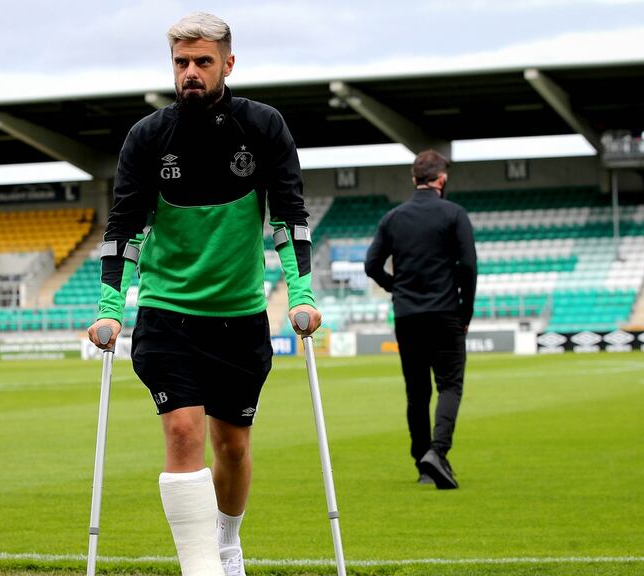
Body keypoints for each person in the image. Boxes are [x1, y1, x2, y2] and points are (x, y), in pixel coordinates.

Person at [87, 12, 320, 576]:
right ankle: (201, 568)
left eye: (202, 62)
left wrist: (301, 294)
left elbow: (289, 217)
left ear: (228, 64)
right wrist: (111, 309)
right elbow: (124, 228)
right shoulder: (147, 136)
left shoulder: (263, 126)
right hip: (169, 314)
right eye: (181, 62)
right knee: (182, 430)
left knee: (233, 449)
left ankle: (227, 541)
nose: (190, 72)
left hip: (239, 318)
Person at [364, 150, 477, 490]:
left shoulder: (393, 218)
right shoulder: (454, 214)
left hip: (408, 316)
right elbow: (468, 267)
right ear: (441, 180)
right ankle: (438, 453)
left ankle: (423, 464)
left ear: (415, 179)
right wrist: (465, 312)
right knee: (450, 385)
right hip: (445, 314)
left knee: (417, 393)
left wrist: (395, 288)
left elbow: (371, 265)